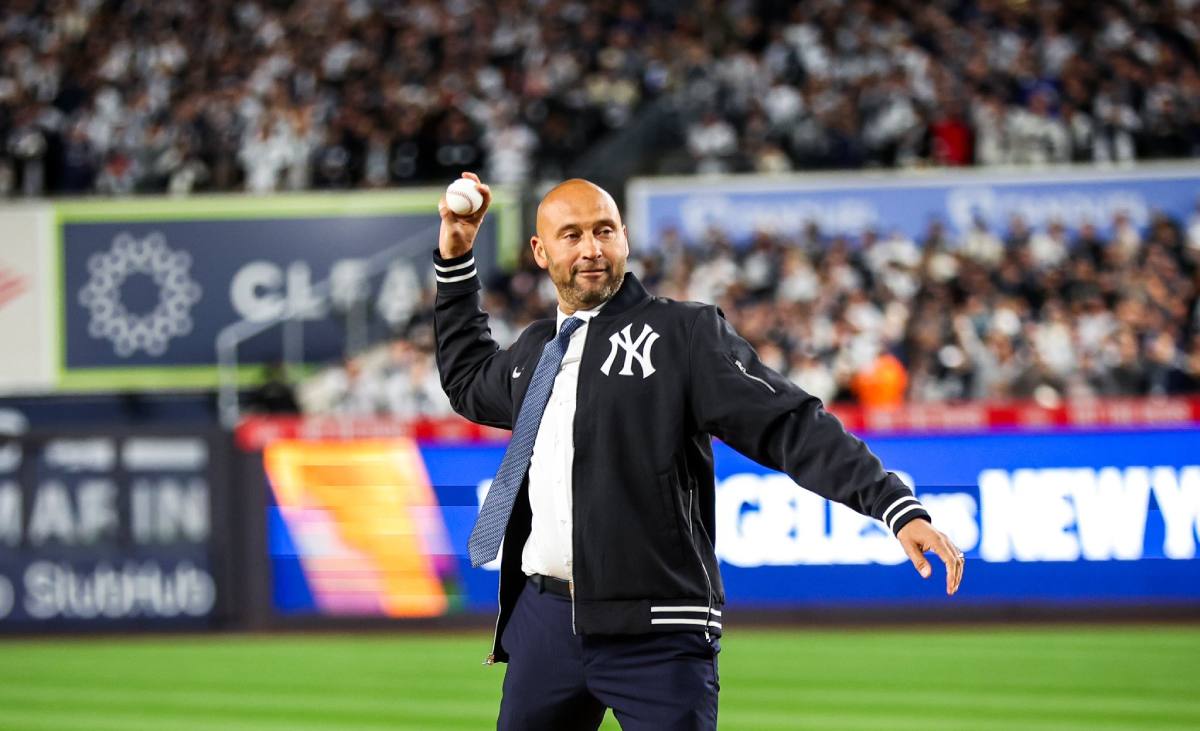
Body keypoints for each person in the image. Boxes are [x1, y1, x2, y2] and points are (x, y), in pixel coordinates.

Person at [433, 172, 965, 731]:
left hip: (657, 630)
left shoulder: (681, 333)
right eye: (572, 235)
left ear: (625, 239)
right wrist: (456, 259)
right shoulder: (536, 350)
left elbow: (788, 422)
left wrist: (893, 504)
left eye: (604, 230)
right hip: (544, 623)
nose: (591, 248)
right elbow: (467, 377)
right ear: (540, 252)